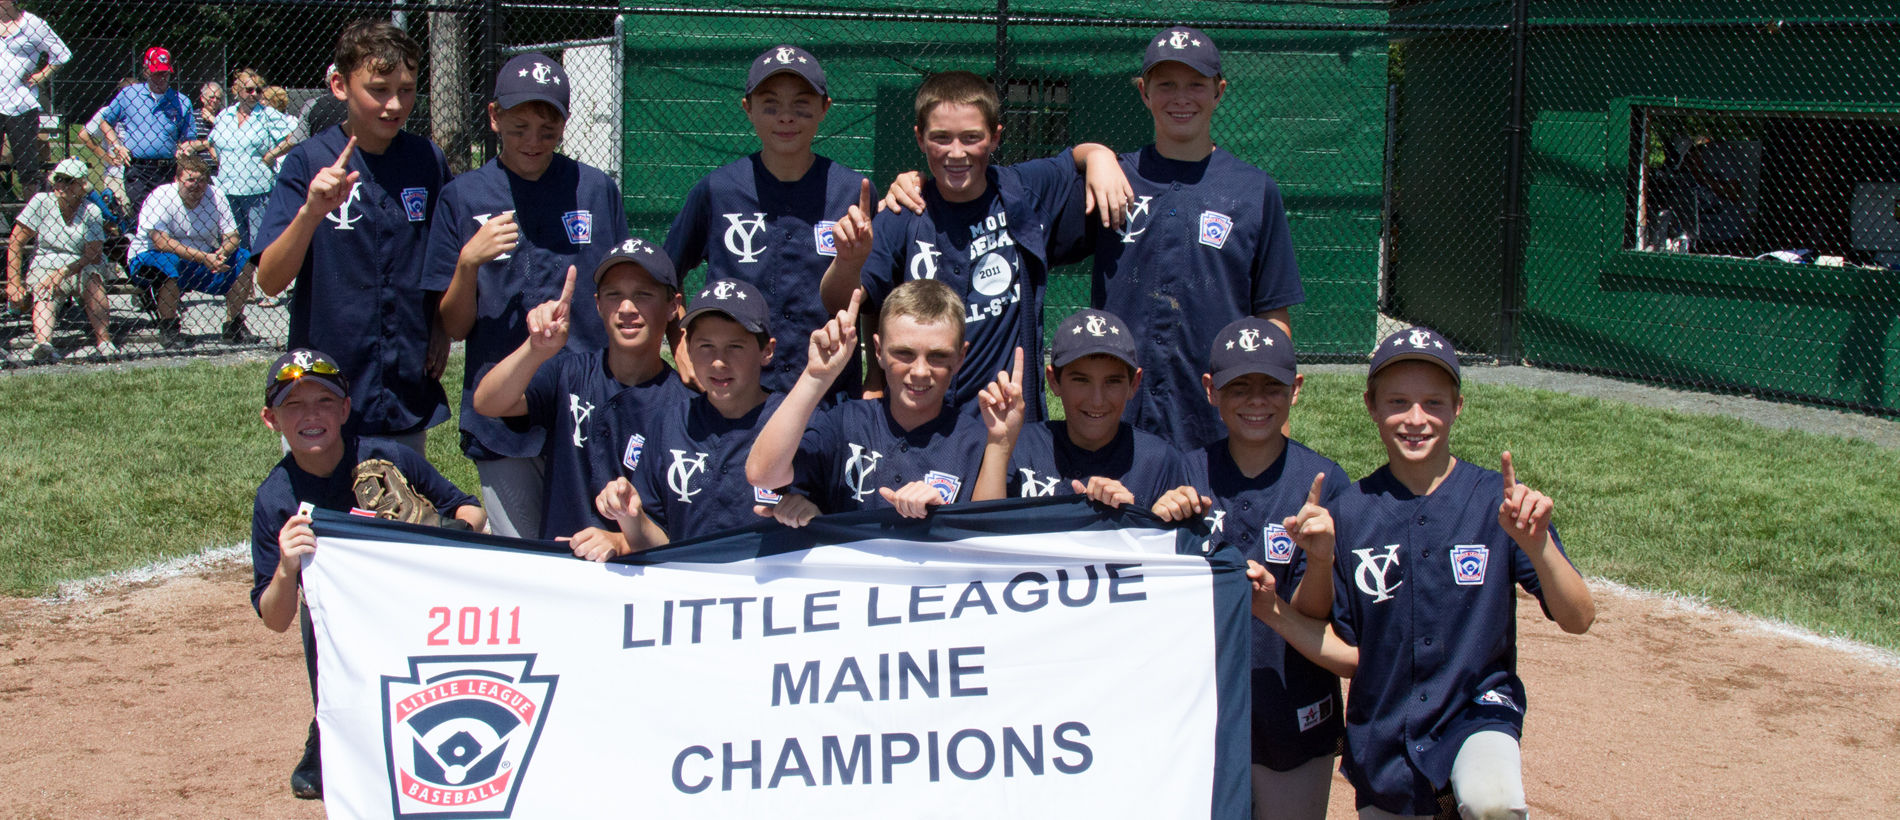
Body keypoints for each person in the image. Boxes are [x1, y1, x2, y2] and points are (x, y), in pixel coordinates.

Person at [1246, 326, 1596, 820]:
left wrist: (1538, 547)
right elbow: (1349, 653)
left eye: (1433, 402)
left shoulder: (1494, 502)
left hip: (1477, 711)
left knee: (1492, 801)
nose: (1416, 419)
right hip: (1385, 735)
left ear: (1457, 406)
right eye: (1398, 402)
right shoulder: (1350, 514)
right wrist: (1274, 611)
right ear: (1370, 406)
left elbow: (1579, 617)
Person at [249, 348, 484, 801]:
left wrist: (438, 531)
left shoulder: (387, 457)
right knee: (315, 602)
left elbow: (470, 510)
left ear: (344, 408)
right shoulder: (276, 498)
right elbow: (273, 618)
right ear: (271, 419)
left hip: (417, 604)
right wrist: (286, 567)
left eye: (323, 401)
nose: (309, 415)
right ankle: (328, 727)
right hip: (346, 622)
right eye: (293, 405)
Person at [837, 70, 1131, 419]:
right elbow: (847, 301)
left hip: (1010, 419)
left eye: (972, 137)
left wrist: (1099, 156)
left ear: (995, 138)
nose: (956, 152)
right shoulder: (905, 212)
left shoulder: (1024, 191)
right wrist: (848, 262)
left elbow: (1071, 159)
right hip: (924, 423)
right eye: (941, 137)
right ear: (919, 138)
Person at [1148, 317, 1350, 820]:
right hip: (1200, 707)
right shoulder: (1183, 471)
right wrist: (1159, 520)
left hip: (1293, 702)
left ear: (1296, 390)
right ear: (1211, 390)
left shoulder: (1324, 482)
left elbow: (1322, 617)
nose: (1256, 400)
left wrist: (1319, 558)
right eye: (1239, 387)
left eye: (1271, 387)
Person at [425, 52, 629, 538]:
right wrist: (469, 263)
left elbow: (624, 297)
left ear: (565, 120)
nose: (533, 141)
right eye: (518, 127)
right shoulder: (464, 197)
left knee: (591, 545)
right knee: (522, 557)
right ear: (494, 117)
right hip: (503, 413)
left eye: (547, 127)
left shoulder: (594, 189)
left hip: (587, 408)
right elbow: (453, 327)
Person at [1078, 27, 1306, 451]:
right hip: (1118, 411)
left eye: (1196, 85)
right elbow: (1021, 195)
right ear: (1144, 92)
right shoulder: (1114, 178)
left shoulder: (1254, 190)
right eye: (1166, 85)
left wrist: (1278, 419)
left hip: (1214, 417)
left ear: (1219, 92)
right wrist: (1093, 153)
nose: (1181, 98)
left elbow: (1273, 314)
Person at [255, 20, 452, 455]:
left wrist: (438, 324)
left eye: (406, 89)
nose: (394, 104)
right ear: (340, 85)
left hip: (402, 380)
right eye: (379, 89)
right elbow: (269, 280)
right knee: (321, 516)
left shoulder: (426, 160)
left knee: (399, 510)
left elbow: (442, 254)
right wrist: (310, 213)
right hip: (326, 380)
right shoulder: (307, 163)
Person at [663, 44, 869, 398]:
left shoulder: (851, 191)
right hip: (738, 395)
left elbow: (876, 295)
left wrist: (875, 380)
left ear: (825, 108)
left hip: (828, 393)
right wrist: (679, 345)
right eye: (770, 105)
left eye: (801, 105)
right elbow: (663, 276)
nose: (785, 117)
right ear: (748, 109)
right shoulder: (718, 189)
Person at [582, 278, 821, 560]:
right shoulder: (669, 424)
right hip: (690, 599)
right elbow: (659, 544)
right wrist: (630, 518)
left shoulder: (798, 423)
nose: (718, 362)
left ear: (766, 351)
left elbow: (834, 532)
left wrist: (815, 517)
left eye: (735, 347)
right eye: (706, 346)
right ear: (686, 348)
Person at [471, 240, 693, 541]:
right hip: (564, 563)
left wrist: (622, 542)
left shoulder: (684, 407)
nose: (627, 308)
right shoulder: (570, 373)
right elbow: (487, 403)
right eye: (614, 295)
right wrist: (534, 349)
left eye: (643, 295)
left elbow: (683, 527)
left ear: (671, 306)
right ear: (598, 304)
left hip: (641, 571)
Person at [747, 279, 995, 518]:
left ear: (960, 357)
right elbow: (763, 474)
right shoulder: (846, 423)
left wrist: (942, 517)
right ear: (878, 351)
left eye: (938, 356)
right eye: (904, 353)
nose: (920, 371)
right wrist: (815, 377)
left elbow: (989, 545)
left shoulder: (976, 444)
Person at [971, 308, 1186, 509]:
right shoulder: (1021, 446)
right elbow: (976, 538)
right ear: (1054, 381)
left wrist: (1133, 520)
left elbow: (1172, 542)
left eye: (1112, 381)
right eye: (1081, 380)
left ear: (1134, 384)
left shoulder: (1157, 461)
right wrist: (1000, 444)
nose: (1097, 400)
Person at [126, 155, 256, 346]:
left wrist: (222, 253)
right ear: (177, 180)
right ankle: (168, 330)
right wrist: (205, 258)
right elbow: (160, 242)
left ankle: (233, 326)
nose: (196, 185)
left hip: (200, 259)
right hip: (150, 258)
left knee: (245, 258)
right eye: (190, 180)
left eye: (201, 180)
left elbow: (233, 236)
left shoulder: (216, 195)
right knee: (168, 261)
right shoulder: (161, 196)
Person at [6, 158, 114, 362]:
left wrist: (63, 272)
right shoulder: (40, 201)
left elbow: (93, 254)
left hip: (82, 262)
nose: (61, 185)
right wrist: (14, 282)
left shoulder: (91, 210)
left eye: (68, 180)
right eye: (58, 179)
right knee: (44, 286)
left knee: (93, 279)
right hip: (45, 261)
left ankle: (104, 341)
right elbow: (16, 241)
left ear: (82, 186)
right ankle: (44, 344)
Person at [95, 47, 204, 222]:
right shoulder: (129, 95)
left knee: (169, 216)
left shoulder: (182, 101)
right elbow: (105, 121)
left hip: (169, 169)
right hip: (139, 168)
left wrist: (185, 149)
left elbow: (189, 138)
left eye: (165, 73)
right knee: (145, 216)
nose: (161, 78)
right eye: (156, 73)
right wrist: (117, 146)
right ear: (146, 71)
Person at [210, 68, 294, 262]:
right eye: (249, 89)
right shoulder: (225, 115)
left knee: (259, 243)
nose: (255, 94)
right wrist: (219, 160)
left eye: (258, 90)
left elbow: (295, 136)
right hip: (227, 188)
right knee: (234, 242)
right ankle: (242, 290)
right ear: (236, 90)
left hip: (257, 189)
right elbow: (212, 141)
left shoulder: (267, 114)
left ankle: (266, 287)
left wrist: (273, 154)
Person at [0, 0, 68, 198]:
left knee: (27, 170)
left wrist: (41, 75)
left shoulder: (32, 24)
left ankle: (33, 217)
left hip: (21, 105)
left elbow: (62, 54)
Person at [77, 77, 135, 213]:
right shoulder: (107, 112)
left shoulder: (145, 112)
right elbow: (83, 135)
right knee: (124, 215)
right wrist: (106, 156)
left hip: (141, 172)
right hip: (117, 174)